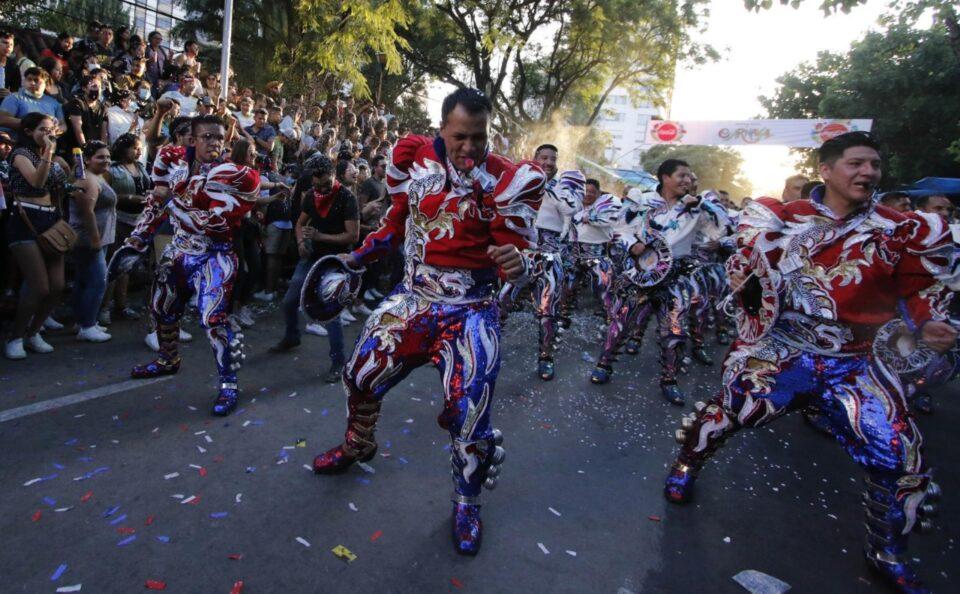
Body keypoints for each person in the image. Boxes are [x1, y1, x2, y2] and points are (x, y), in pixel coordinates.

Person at [663, 132, 958, 593]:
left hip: (857, 362)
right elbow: (749, 273)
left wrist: (929, 322)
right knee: (731, 411)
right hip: (785, 348)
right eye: (856, 163)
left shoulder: (899, 229)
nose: (868, 172)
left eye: (874, 165)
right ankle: (686, 464)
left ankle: (887, 551)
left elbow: (918, 289)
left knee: (898, 453)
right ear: (826, 170)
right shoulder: (784, 217)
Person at [310, 88, 544, 555]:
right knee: (359, 375)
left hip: (470, 310)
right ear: (442, 129)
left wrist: (519, 263)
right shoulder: (416, 159)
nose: (469, 147)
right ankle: (358, 443)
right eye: (460, 137)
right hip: (414, 299)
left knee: (470, 414)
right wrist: (357, 257)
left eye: (478, 137)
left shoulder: (505, 180)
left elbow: (521, 254)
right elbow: (396, 223)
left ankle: (467, 502)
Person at [127, 115, 260, 415]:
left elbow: (212, 223)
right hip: (179, 250)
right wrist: (137, 239)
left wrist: (172, 203)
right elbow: (156, 200)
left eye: (219, 137)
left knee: (214, 320)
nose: (214, 142)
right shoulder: (177, 165)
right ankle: (168, 359)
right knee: (162, 308)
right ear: (193, 140)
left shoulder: (233, 175)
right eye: (207, 137)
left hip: (215, 254)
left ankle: (228, 383)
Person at [590, 160, 732, 407]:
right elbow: (620, 229)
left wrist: (702, 203)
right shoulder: (643, 200)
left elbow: (721, 229)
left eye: (689, 176)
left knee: (674, 331)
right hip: (641, 273)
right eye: (682, 175)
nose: (688, 180)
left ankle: (669, 380)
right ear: (665, 177)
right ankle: (604, 365)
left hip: (676, 278)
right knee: (621, 322)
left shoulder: (696, 210)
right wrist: (632, 245)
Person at [269, 155, 358, 381]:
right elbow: (300, 223)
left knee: (331, 311)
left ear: (334, 176)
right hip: (311, 256)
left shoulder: (347, 198)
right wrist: (301, 242)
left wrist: (320, 236)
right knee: (289, 301)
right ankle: (292, 336)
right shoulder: (311, 195)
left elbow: (352, 236)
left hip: (335, 260)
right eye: (317, 185)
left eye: (325, 184)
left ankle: (338, 362)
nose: (321, 189)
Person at [3, 113, 70, 359]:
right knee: (39, 286)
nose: (48, 134)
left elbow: (61, 186)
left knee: (57, 285)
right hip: (25, 221)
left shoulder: (50, 156)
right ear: (29, 132)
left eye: (51, 130)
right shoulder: (21, 154)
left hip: (50, 219)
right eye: (42, 130)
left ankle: (33, 333)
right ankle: (16, 337)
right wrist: (49, 154)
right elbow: (36, 183)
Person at [530, 143, 583, 380]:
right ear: (535, 158)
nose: (548, 162)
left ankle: (546, 357)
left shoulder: (564, 187)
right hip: (522, 250)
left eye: (553, 159)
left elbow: (571, 210)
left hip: (551, 253)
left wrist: (551, 186)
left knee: (548, 308)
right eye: (544, 158)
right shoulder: (522, 180)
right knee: (501, 301)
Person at [101, 133, 151, 325]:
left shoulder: (140, 167)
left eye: (140, 148)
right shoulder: (112, 169)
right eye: (134, 148)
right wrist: (129, 198)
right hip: (118, 219)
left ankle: (121, 306)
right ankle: (104, 308)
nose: (138, 152)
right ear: (123, 149)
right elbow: (104, 193)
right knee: (113, 264)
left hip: (138, 221)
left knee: (126, 266)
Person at [69, 141, 116, 342]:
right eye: (100, 157)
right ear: (87, 160)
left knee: (84, 280)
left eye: (108, 157)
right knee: (98, 281)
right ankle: (87, 326)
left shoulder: (96, 176)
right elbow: (87, 212)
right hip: (89, 239)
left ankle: (83, 321)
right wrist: (95, 239)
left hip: (98, 238)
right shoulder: (87, 180)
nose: (106, 160)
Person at [0, 67, 66, 136]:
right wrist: (37, 125)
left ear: (45, 84)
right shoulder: (14, 97)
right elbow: (2, 119)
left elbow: (63, 125)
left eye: (36, 80)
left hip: (47, 140)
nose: (32, 83)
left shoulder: (54, 103)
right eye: (29, 79)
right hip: (17, 140)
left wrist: (54, 130)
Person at [64, 75, 109, 153]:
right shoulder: (77, 103)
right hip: (76, 149)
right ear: (84, 88)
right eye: (94, 86)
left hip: (95, 149)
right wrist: (86, 150)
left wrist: (103, 150)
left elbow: (103, 132)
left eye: (100, 87)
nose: (98, 89)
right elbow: (78, 129)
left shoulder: (103, 108)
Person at [0, 31, 22, 98]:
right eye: (5, 43)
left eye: (11, 44)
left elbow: (16, 89)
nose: (8, 46)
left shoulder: (13, 66)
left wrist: (10, 94)